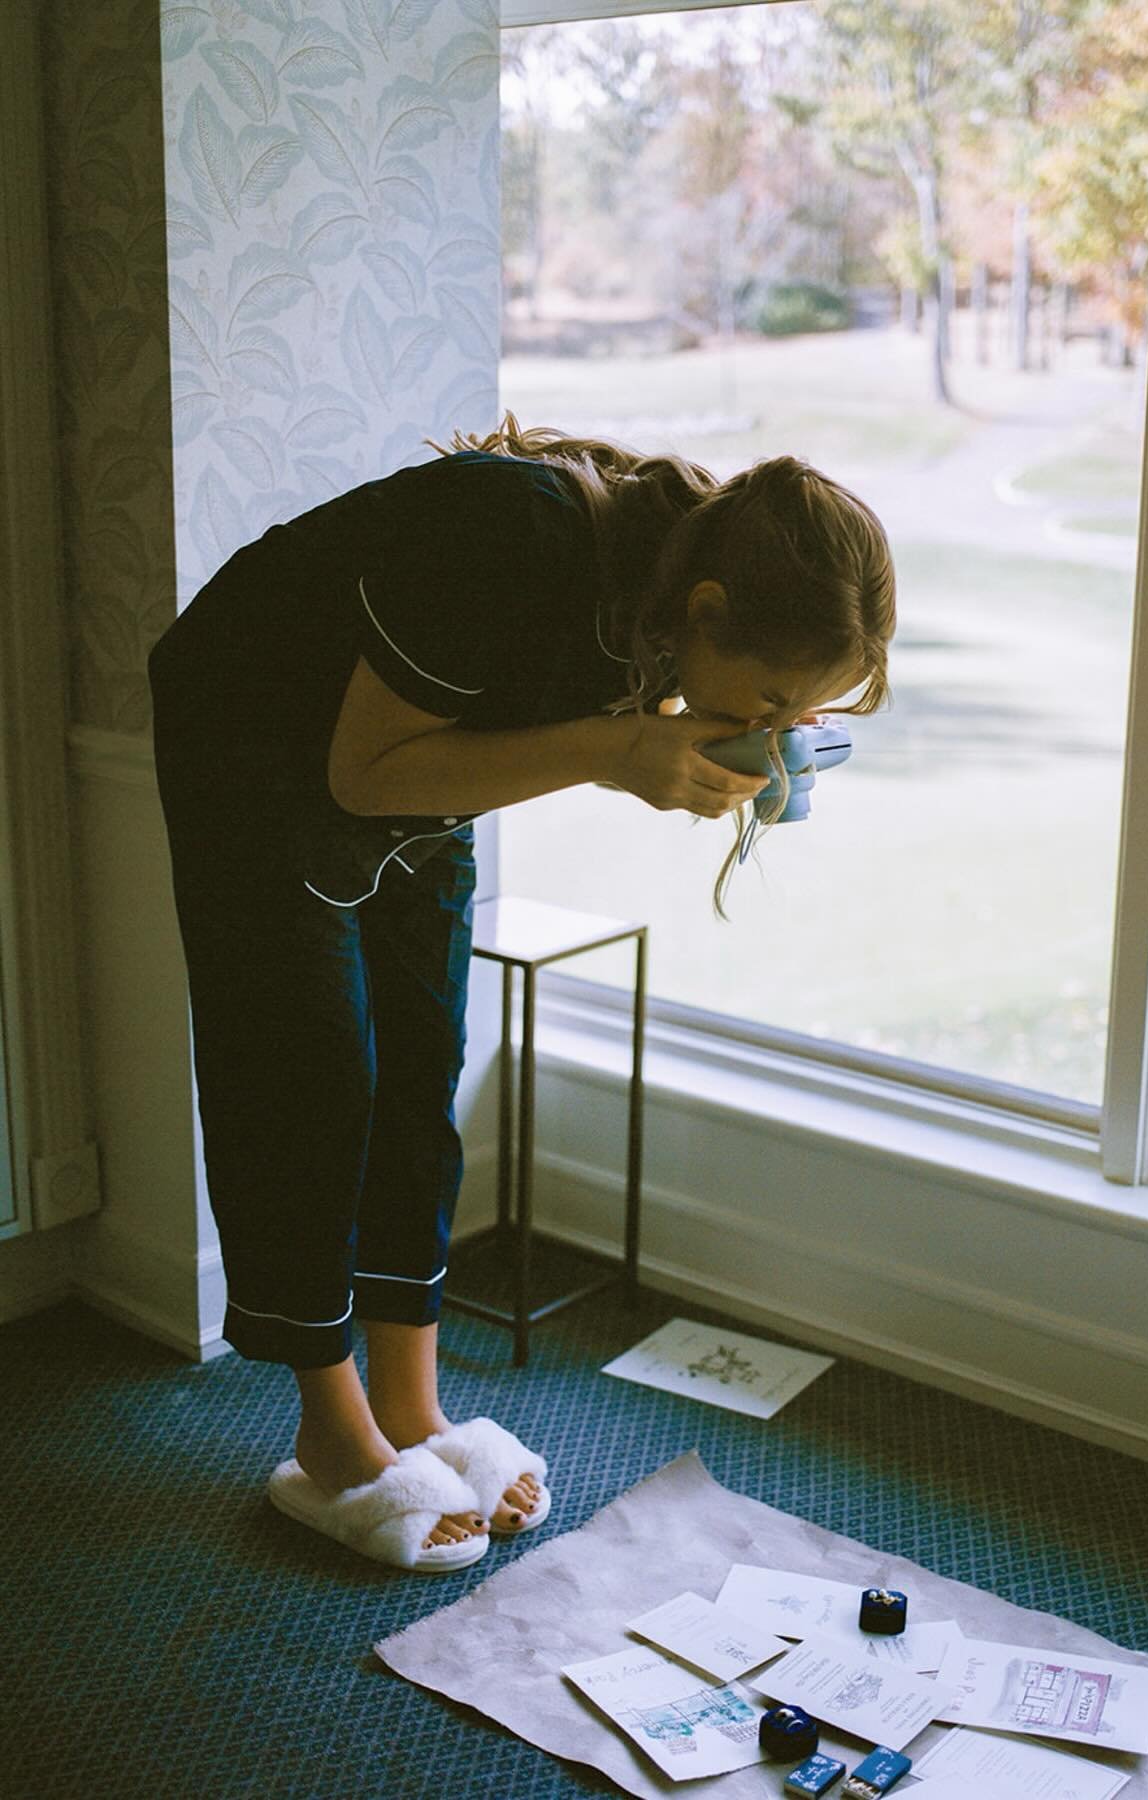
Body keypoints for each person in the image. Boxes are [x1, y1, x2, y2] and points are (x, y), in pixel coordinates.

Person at [147, 412, 896, 1571]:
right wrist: (614, 751)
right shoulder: (508, 536)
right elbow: (359, 772)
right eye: (769, 701)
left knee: (420, 1061)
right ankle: (332, 1439)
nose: (774, 730)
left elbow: (435, 761)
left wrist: (661, 743)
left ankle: (415, 1410)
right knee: (310, 1070)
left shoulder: (666, 608)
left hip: (413, 771)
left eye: (800, 718)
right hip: (258, 742)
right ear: (707, 613)